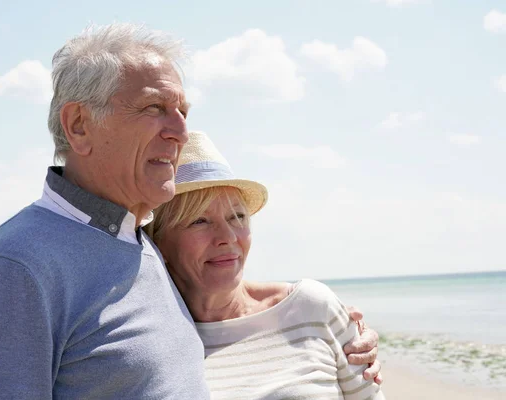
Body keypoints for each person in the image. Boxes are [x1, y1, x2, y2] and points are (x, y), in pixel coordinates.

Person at [0, 23, 379, 399]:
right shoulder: (14, 270)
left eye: (182, 111)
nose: (180, 131)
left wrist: (333, 332)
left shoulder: (137, 243)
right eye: (155, 108)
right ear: (79, 125)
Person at [148, 131, 385, 399]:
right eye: (199, 221)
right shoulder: (150, 342)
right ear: (158, 242)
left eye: (237, 217)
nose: (227, 237)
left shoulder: (310, 306)